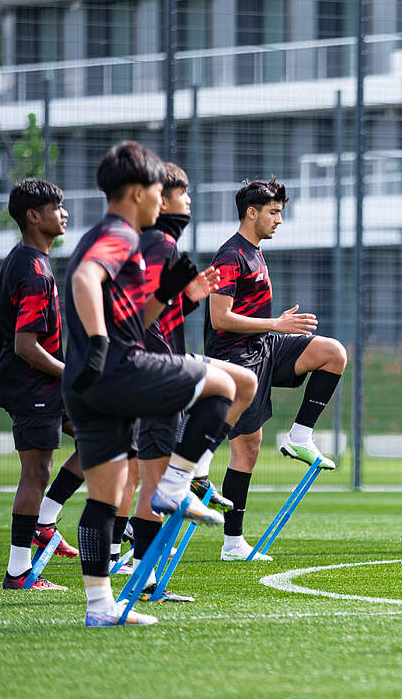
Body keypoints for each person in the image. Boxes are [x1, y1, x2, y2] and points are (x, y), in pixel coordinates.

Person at [64, 141, 254, 627]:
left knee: (105, 498)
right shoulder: (121, 233)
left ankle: (99, 608)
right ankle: (175, 483)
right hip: (119, 366)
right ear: (138, 192)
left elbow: (137, 315)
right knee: (225, 386)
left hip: (84, 382)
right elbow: (86, 279)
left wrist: (180, 296)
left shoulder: (97, 234)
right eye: (157, 188)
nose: (162, 197)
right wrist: (102, 343)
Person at [124, 162, 252, 600]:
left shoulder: (157, 244)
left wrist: (189, 297)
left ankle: (144, 577)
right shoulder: (157, 243)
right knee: (232, 383)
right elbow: (138, 318)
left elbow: (162, 315)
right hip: (152, 369)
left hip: (155, 365)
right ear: (162, 200)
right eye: (184, 194)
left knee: (151, 481)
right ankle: (192, 474)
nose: (189, 202)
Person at [0, 178, 84, 591]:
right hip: (33, 387)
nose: (64, 214)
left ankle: (45, 521)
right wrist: (71, 373)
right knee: (35, 473)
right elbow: (27, 347)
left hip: (44, 384)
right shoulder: (32, 271)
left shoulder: (23, 260)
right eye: (56, 207)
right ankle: (18, 573)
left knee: (103, 437)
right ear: (33, 216)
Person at [206, 178, 345, 562]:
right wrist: (275, 325)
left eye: (280, 212)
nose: (279, 220)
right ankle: (232, 543)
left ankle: (299, 436)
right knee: (247, 450)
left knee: (332, 353)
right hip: (236, 360)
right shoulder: (229, 256)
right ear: (251, 213)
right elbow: (220, 319)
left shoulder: (255, 251)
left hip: (264, 347)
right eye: (273, 212)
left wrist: (273, 330)